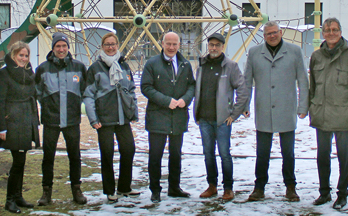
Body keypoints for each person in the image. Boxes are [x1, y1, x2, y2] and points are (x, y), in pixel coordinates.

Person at [241, 21, 309, 202]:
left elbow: (303, 80)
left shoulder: (294, 52)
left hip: (287, 108)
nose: (272, 36)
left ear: (281, 32)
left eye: (275, 32)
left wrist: (303, 106)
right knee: (262, 152)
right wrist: (245, 105)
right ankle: (259, 187)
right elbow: (247, 81)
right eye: (268, 33)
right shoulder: (255, 53)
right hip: (264, 109)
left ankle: (290, 187)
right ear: (264, 36)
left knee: (288, 152)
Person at [82, 32, 140, 203]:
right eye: (107, 44)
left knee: (128, 150)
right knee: (107, 154)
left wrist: (133, 111)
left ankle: (124, 187)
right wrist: (93, 119)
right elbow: (88, 95)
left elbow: (130, 90)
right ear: (102, 46)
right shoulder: (95, 68)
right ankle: (109, 190)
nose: (111, 47)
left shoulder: (124, 66)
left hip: (123, 118)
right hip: (104, 119)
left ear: (117, 45)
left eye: (113, 44)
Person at [307, 18, 348, 210]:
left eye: (335, 29)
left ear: (341, 31)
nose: (331, 33)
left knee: (344, 156)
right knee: (322, 155)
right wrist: (312, 107)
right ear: (323, 32)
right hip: (322, 113)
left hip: (343, 113)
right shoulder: (317, 56)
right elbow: (313, 86)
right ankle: (324, 192)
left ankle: (342, 193)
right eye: (327, 30)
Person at [141, 31, 196, 202]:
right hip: (158, 116)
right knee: (155, 155)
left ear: (179, 45)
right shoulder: (152, 64)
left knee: (176, 154)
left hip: (178, 116)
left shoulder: (185, 64)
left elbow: (191, 86)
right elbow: (146, 87)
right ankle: (155, 190)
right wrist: (166, 101)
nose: (171, 47)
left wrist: (185, 100)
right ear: (162, 44)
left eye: (175, 44)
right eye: (168, 44)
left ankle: (174, 187)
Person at [35, 32, 88, 206]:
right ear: (53, 48)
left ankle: (76, 189)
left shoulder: (79, 67)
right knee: (48, 156)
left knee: (75, 156)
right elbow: (37, 91)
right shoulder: (43, 68)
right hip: (51, 120)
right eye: (58, 46)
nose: (61, 49)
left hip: (72, 120)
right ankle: (46, 192)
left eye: (64, 46)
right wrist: (47, 103)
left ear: (68, 47)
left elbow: (85, 90)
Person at [194, 33, 247, 201]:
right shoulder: (201, 65)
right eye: (211, 45)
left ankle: (228, 188)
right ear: (207, 46)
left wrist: (234, 114)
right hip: (204, 119)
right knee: (208, 154)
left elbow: (243, 90)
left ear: (222, 47)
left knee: (224, 154)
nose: (214, 48)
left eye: (217, 45)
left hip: (223, 120)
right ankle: (212, 186)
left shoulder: (230, 66)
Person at [0, 41, 40, 214]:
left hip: (27, 120)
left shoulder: (29, 74)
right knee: (18, 161)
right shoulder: (3, 75)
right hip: (13, 122)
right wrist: (1, 128)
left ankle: (18, 195)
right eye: (20, 55)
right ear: (13, 56)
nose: (23, 58)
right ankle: (10, 200)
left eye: (26, 55)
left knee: (22, 161)